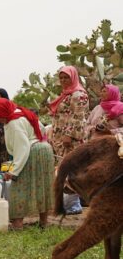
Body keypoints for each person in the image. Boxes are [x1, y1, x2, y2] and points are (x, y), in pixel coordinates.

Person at [0, 98, 54, 230]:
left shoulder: (14, 123)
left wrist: (13, 171)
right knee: (42, 186)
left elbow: (22, 148)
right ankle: (44, 222)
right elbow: (41, 130)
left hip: (32, 152)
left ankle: (18, 224)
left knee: (20, 187)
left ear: (2, 113)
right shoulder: (22, 113)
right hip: (44, 150)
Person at [48, 66, 89, 214]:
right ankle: (67, 204)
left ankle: (74, 205)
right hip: (60, 137)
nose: (64, 80)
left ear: (73, 77)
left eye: (66, 77)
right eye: (61, 78)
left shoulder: (79, 95)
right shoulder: (66, 94)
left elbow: (78, 117)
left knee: (72, 170)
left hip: (71, 139)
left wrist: (68, 135)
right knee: (64, 169)